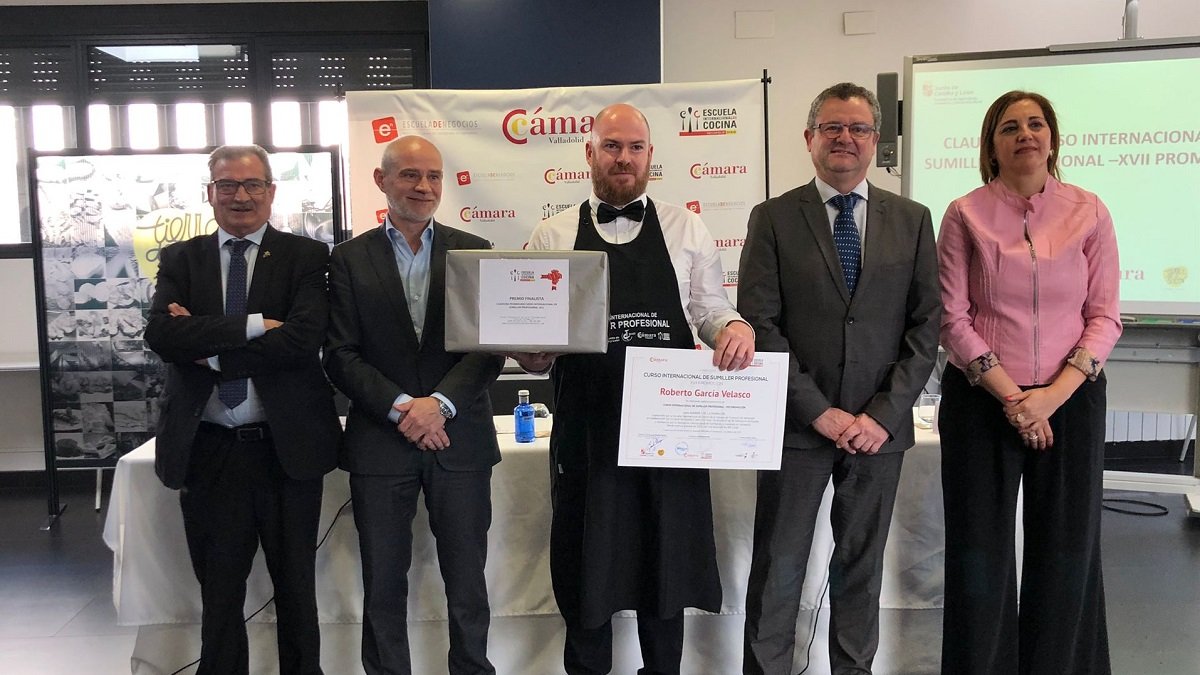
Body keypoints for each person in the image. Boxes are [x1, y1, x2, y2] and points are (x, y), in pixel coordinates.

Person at [514, 103, 756, 675]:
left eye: (635, 147)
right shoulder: (551, 233)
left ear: (650, 156)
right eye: (612, 145)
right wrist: (529, 353)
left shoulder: (686, 227)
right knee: (586, 565)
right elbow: (532, 334)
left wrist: (735, 327)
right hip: (587, 432)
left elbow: (709, 309)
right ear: (589, 152)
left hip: (667, 433)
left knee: (664, 565)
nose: (624, 157)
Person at [737, 82, 941, 675]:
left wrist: (882, 415)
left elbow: (926, 326)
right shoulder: (773, 218)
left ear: (874, 140)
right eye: (832, 127)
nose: (844, 138)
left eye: (857, 128)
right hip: (797, 429)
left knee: (861, 568)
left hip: (879, 434)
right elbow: (760, 323)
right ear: (809, 138)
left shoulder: (913, 220)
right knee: (778, 568)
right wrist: (817, 411)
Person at [937, 90, 1121, 674]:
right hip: (982, 400)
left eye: (1036, 124)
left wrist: (1050, 398)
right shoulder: (964, 214)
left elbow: (1105, 317)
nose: (1025, 134)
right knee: (978, 552)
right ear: (991, 145)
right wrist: (1016, 399)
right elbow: (952, 318)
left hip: (1071, 398)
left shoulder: (1090, 211)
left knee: (1069, 548)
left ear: (1052, 138)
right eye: (1010, 126)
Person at [145, 144, 341, 675]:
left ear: (271, 191)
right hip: (210, 452)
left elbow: (301, 341)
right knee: (219, 593)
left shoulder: (307, 256)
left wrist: (207, 349)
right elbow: (162, 335)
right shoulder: (182, 258)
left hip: (286, 451)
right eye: (228, 185)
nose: (241, 196)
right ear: (210, 193)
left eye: (253, 184)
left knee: (296, 589)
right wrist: (254, 325)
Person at [323, 135, 504, 675]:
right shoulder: (348, 258)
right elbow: (339, 354)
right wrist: (406, 407)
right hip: (381, 442)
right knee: (382, 582)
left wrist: (440, 405)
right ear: (382, 180)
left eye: (433, 176)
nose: (423, 187)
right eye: (409, 175)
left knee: (468, 583)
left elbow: (490, 346)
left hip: (460, 440)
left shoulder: (475, 250)